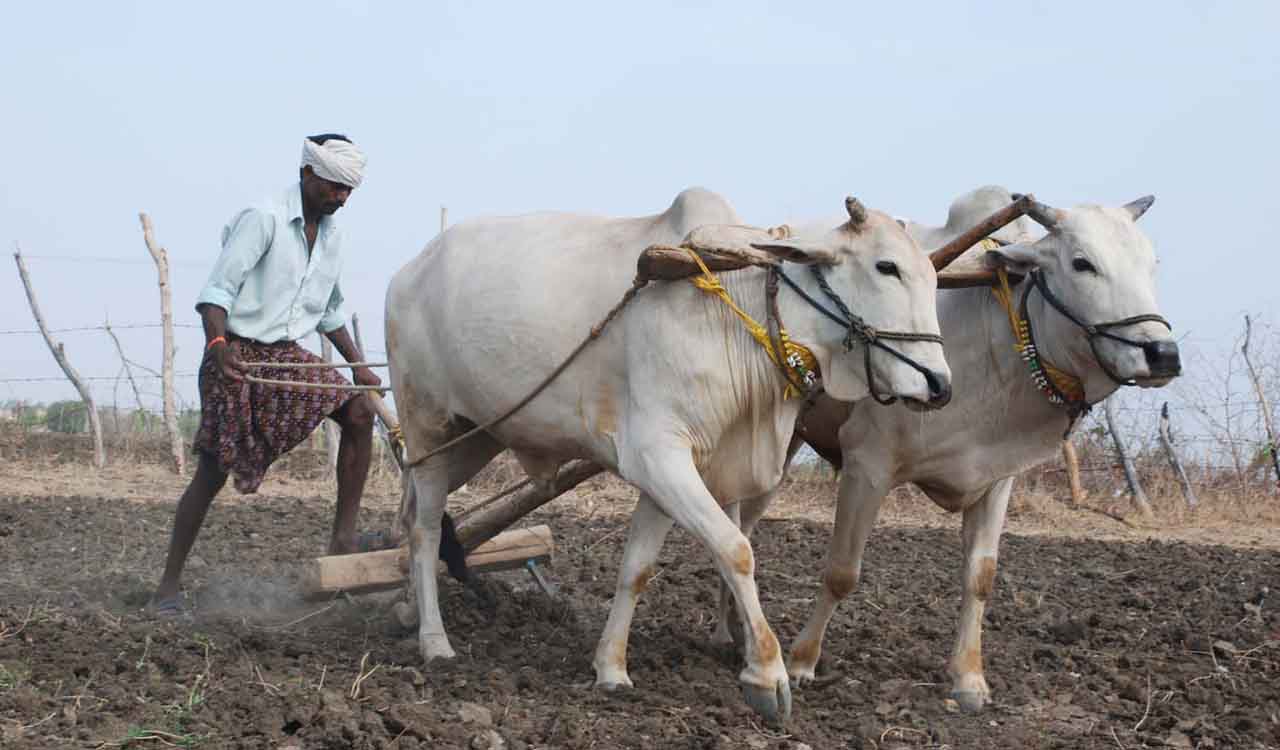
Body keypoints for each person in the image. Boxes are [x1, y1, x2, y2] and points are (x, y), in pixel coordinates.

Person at [151, 134, 391, 615]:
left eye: (348, 190)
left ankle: (343, 539)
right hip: (235, 352)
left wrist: (357, 363)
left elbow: (330, 311)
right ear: (307, 174)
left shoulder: (333, 238)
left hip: (283, 354)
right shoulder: (263, 219)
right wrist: (218, 347)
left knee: (361, 411)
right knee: (213, 471)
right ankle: (168, 587)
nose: (341, 197)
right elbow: (216, 294)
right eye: (333, 186)